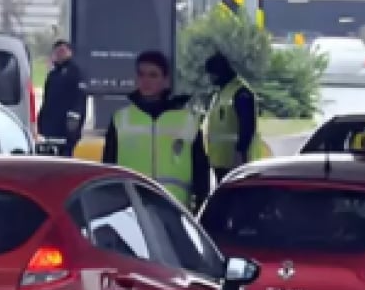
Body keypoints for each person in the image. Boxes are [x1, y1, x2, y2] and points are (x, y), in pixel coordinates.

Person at [101, 50, 210, 209]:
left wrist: (201, 205)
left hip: (174, 206)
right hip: (131, 207)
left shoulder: (187, 120)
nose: (146, 81)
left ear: (165, 80)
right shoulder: (120, 119)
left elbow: (200, 168)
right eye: (141, 74)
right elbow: (108, 167)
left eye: (153, 75)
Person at [202, 52, 264, 183]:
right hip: (220, 161)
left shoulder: (241, 92)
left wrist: (240, 153)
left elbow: (247, 126)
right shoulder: (220, 94)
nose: (210, 79)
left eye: (212, 75)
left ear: (220, 72)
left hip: (237, 162)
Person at [37, 39, 87, 156]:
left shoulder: (76, 72)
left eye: (63, 50)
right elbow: (47, 100)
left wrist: (73, 128)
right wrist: (41, 121)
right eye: (57, 51)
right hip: (50, 128)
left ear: (70, 52)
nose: (60, 54)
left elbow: (79, 100)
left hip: (66, 129)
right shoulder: (52, 75)